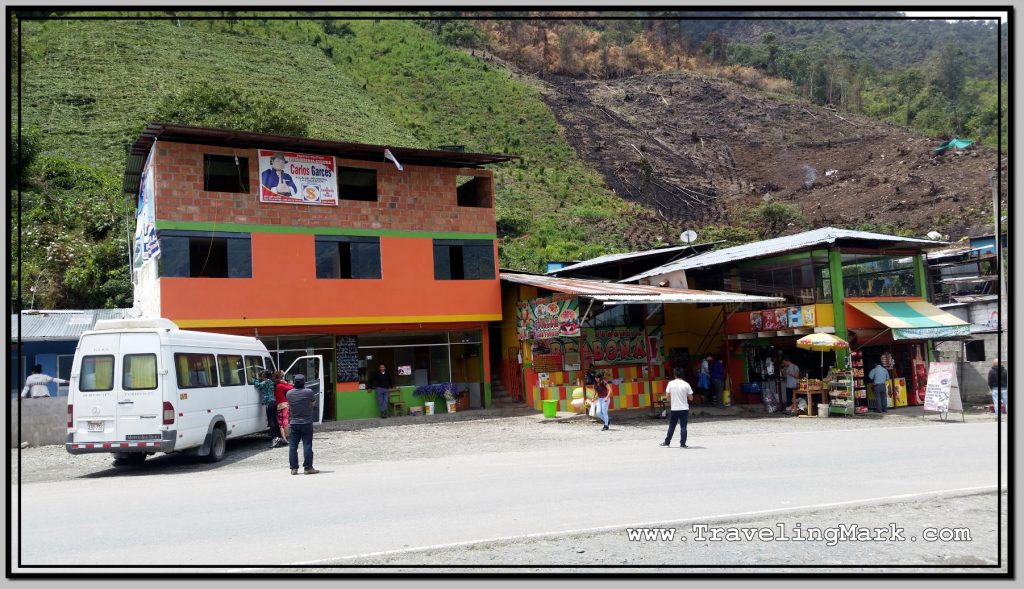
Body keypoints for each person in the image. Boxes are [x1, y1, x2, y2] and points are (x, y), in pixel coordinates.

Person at [286, 374, 319, 475]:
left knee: (292, 447)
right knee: (307, 445)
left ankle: (294, 469)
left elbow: (290, 404)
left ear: (294, 382)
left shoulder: (289, 393)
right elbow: (313, 403)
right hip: (306, 422)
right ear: (304, 382)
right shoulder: (309, 392)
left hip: (294, 423)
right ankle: (308, 468)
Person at [659, 368, 695, 448]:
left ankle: (667, 442)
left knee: (672, 426)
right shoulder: (686, 384)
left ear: (675, 375)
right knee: (683, 427)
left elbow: (667, 397)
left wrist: (672, 398)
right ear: (683, 375)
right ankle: (683, 444)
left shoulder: (670, 383)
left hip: (674, 408)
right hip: (684, 408)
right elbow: (691, 398)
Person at [254, 370, 282, 447]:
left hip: (269, 403)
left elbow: (257, 385)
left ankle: (274, 438)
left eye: (262, 374)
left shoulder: (265, 382)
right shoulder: (272, 382)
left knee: (271, 421)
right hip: (274, 402)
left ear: (264, 376)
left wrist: (256, 378)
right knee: (275, 420)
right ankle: (279, 437)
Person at [273, 370, 292, 442]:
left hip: (278, 405)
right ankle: (287, 437)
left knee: (280, 423)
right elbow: (291, 388)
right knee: (285, 421)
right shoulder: (281, 385)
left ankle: (284, 438)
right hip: (284, 404)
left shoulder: (275, 385)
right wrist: (286, 383)